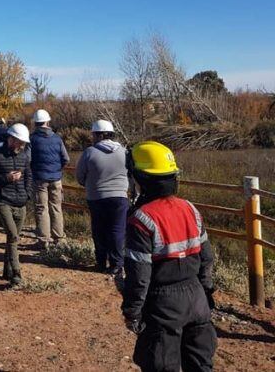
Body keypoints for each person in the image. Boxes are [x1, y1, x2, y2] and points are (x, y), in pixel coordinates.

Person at [122, 141, 216, 371]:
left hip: (162, 303)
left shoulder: (141, 219)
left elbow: (139, 275)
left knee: (162, 364)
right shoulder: (190, 209)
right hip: (197, 298)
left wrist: (132, 312)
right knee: (200, 364)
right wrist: (205, 292)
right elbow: (206, 257)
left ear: (140, 178)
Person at [75, 120, 129, 277]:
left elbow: (80, 176)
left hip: (96, 197)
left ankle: (100, 262)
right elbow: (131, 174)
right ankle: (117, 265)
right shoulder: (124, 152)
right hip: (120, 197)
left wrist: (90, 185)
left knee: (99, 230)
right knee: (117, 230)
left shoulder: (89, 152)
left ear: (98, 135)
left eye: (93, 134)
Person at [0, 123, 33, 290]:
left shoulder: (24, 156)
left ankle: (7, 270)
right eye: (19, 142)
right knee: (13, 236)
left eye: (23, 143)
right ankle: (17, 275)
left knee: (12, 239)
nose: (22, 145)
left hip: (21, 202)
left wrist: (28, 194)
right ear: (11, 139)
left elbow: (28, 177)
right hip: (3, 201)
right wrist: (6, 178)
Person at [29, 109, 69, 249]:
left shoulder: (32, 139)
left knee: (41, 208)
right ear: (47, 122)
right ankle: (59, 238)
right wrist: (57, 169)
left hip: (39, 179)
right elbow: (66, 159)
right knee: (56, 207)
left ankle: (43, 240)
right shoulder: (57, 138)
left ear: (36, 123)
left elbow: (28, 159)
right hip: (56, 178)